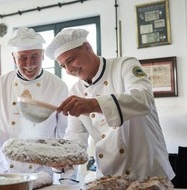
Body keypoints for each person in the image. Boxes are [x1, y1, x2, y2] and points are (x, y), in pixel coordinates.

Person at [45, 28, 175, 181]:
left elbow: (143, 99)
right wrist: (65, 158)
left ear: (88, 48)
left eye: (71, 60)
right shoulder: (76, 91)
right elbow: (76, 136)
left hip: (148, 172)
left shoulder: (124, 65)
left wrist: (94, 104)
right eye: (63, 66)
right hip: (109, 178)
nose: (69, 70)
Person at [0, 27, 68, 177]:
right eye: (22, 58)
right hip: (4, 171)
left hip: (42, 174)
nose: (29, 64)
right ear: (13, 58)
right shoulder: (0, 84)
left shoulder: (58, 86)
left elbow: (65, 134)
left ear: (42, 55)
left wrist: (66, 178)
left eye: (35, 56)